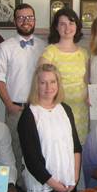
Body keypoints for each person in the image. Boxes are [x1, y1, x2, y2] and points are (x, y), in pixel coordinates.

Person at [0, 3, 47, 188]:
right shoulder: (4, 47)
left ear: (34, 20)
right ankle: (13, 190)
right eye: (21, 17)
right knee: (13, 152)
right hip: (15, 108)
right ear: (15, 21)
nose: (26, 21)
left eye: (29, 17)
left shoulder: (44, 47)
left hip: (39, 109)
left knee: (37, 152)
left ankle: (37, 190)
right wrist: (8, 104)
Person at [18, 64, 82, 192]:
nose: (48, 87)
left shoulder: (65, 109)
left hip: (68, 182)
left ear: (58, 83)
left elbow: (76, 147)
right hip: (41, 186)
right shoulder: (29, 115)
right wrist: (54, 184)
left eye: (53, 82)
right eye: (43, 83)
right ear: (36, 85)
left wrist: (75, 178)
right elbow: (31, 159)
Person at [38, 8, 89, 144]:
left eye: (71, 23)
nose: (67, 28)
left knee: (78, 147)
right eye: (62, 24)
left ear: (77, 26)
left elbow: (87, 81)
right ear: (56, 27)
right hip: (57, 107)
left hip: (80, 109)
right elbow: (41, 81)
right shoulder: (50, 51)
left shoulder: (84, 53)